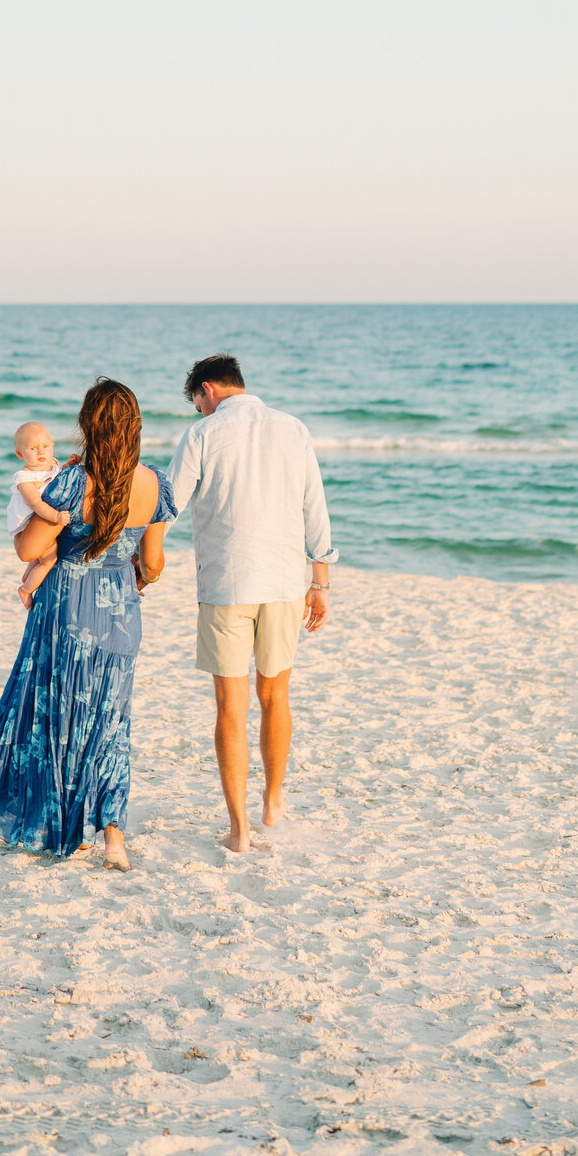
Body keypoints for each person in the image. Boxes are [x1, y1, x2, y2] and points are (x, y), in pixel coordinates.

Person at [0, 378, 174, 870]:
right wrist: (132, 574)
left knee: (54, 718)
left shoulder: (73, 482)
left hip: (66, 610)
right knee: (111, 724)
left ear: (87, 426)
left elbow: (28, 550)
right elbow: (154, 565)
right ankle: (112, 835)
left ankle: (62, 828)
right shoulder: (155, 482)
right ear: (135, 427)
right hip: (120, 614)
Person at [168, 355, 334, 854]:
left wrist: (141, 558)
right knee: (276, 696)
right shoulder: (293, 428)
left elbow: (169, 502)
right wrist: (320, 579)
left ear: (207, 390)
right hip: (284, 582)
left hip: (226, 585)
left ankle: (239, 830)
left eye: (197, 402)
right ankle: (273, 800)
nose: (200, 411)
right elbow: (314, 502)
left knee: (230, 708)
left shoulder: (203, 434)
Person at [6, 419, 72, 609]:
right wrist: (56, 517)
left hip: (39, 521)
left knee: (41, 556)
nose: (41, 452)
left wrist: (68, 465)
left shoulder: (51, 465)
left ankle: (27, 576)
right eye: (34, 448)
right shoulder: (24, 478)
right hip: (27, 524)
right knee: (48, 560)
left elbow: (58, 479)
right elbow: (36, 503)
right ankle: (25, 589)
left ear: (52, 446)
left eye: (45, 446)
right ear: (20, 454)